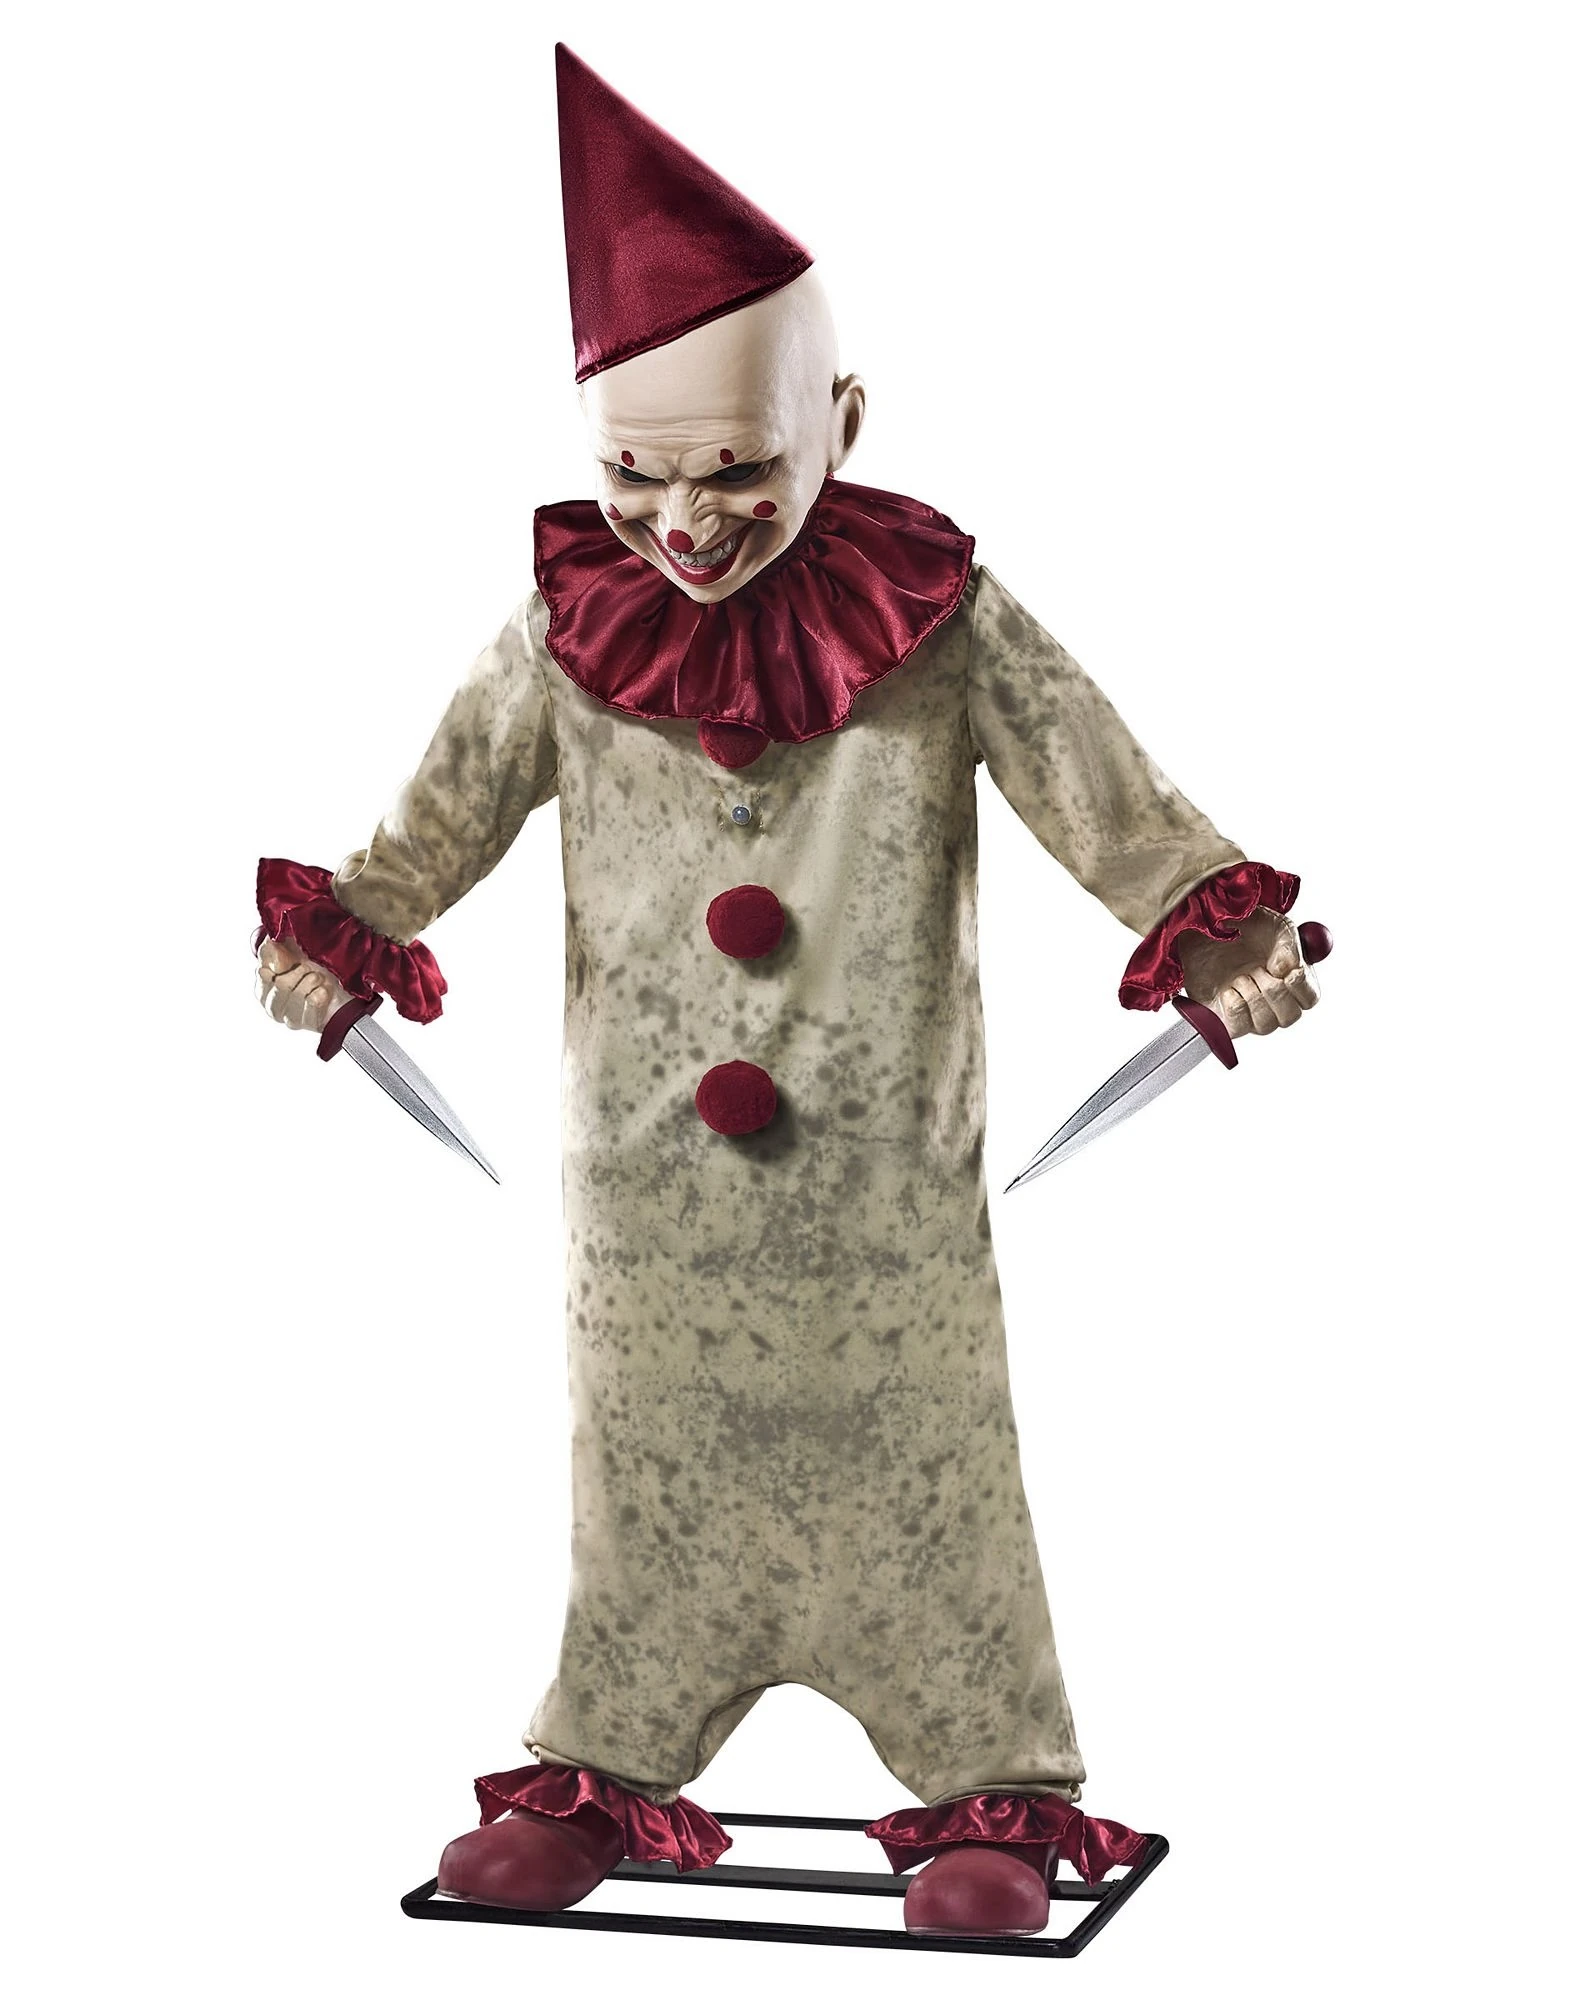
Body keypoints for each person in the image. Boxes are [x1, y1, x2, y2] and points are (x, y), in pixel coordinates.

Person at [255, 44, 1318, 1940]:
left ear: (840, 417)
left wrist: (1207, 918)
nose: (682, 523)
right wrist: (341, 927)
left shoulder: (937, 619)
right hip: (646, 1204)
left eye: (735, 465)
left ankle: (984, 1776)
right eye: (632, 471)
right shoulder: (565, 633)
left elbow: (1100, 785)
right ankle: (613, 1756)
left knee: (927, 1462)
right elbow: (438, 815)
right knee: (640, 1472)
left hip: (885, 1198)